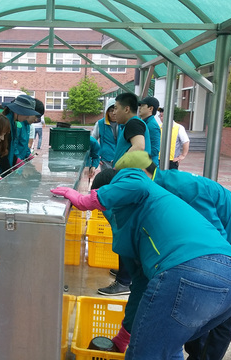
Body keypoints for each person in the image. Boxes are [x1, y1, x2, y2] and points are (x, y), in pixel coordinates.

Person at [50, 169, 231, 359]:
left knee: (144, 354)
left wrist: (86, 201)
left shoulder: (135, 181)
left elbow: (137, 182)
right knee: (166, 348)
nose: (105, 211)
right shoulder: (136, 227)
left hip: (188, 271)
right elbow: (140, 288)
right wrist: (123, 337)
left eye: (104, 204)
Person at [114, 151, 231, 360]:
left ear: (142, 174)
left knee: (219, 312)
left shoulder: (181, 190)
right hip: (206, 253)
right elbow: (141, 282)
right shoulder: (151, 193)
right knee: (185, 309)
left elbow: (215, 238)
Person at [98, 92, 155, 296]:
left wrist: (117, 169)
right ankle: (126, 272)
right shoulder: (129, 125)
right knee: (123, 228)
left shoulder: (134, 123)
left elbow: (139, 146)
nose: (114, 112)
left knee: (124, 230)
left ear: (127, 109)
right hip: (130, 182)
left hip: (130, 184)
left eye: (116, 108)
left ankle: (124, 281)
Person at [0, 95, 41, 174]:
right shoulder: (6, 122)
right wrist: (8, 171)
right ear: (18, 111)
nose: (27, 117)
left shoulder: (13, 123)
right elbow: (2, 152)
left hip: (8, 164)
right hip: (1, 170)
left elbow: (11, 147)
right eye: (27, 114)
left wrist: (15, 162)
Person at [91, 99, 120, 170]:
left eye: (115, 110)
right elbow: (92, 141)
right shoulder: (100, 124)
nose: (113, 113)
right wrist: (96, 158)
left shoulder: (123, 124)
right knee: (106, 180)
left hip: (120, 159)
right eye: (111, 110)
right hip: (105, 160)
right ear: (107, 112)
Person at [137, 96, 161, 164]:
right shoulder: (145, 123)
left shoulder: (152, 126)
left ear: (150, 108)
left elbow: (155, 150)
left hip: (149, 166)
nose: (140, 108)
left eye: (142, 106)